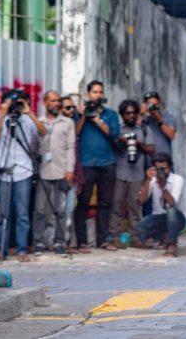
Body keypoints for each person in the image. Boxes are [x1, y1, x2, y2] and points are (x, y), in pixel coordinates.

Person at [0, 89, 47, 262]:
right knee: (4, 214)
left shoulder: (27, 120)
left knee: (22, 213)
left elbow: (43, 133)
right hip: (3, 171)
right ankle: (2, 250)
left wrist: (30, 114)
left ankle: (22, 250)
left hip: (24, 170)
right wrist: (3, 114)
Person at [75, 80, 120, 251]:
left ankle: (103, 239)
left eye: (100, 92)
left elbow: (113, 133)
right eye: (95, 92)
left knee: (105, 202)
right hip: (87, 163)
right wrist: (84, 116)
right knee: (83, 202)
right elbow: (75, 133)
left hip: (106, 162)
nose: (98, 95)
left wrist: (97, 119)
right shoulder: (81, 113)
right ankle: (82, 241)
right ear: (88, 94)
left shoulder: (110, 114)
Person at [33, 91, 76, 256]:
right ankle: (38, 242)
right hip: (43, 171)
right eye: (52, 101)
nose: (56, 104)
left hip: (61, 170)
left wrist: (69, 169)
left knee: (60, 209)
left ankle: (59, 242)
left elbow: (70, 147)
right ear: (45, 102)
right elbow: (33, 145)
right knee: (39, 209)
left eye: (58, 101)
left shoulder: (67, 122)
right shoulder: (38, 121)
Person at [110, 99, 155, 248]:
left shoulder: (144, 129)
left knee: (135, 208)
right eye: (127, 113)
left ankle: (136, 238)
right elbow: (111, 144)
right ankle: (114, 237)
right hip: (120, 171)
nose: (130, 115)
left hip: (137, 173)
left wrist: (138, 144)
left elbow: (151, 149)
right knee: (116, 205)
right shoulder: (117, 128)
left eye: (133, 113)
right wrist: (120, 142)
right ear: (122, 114)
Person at [137, 153, 186, 258]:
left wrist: (163, 186)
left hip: (177, 219)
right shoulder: (153, 180)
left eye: (164, 168)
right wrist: (148, 180)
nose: (162, 172)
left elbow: (172, 203)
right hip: (160, 218)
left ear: (170, 167)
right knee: (142, 226)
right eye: (158, 169)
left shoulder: (178, 180)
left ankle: (172, 245)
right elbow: (141, 200)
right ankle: (163, 237)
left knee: (171, 211)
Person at [140, 91, 177, 217]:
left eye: (155, 105)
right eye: (150, 105)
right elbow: (135, 129)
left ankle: (168, 226)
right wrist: (141, 113)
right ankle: (149, 228)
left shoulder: (168, 118)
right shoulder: (144, 119)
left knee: (167, 194)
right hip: (148, 163)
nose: (152, 109)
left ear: (160, 104)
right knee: (148, 197)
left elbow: (171, 135)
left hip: (165, 163)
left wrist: (159, 119)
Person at [60, 96, 85, 252]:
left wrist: (78, 177)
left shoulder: (72, 125)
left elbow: (75, 156)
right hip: (55, 175)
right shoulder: (56, 127)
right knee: (54, 210)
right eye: (67, 108)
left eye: (73, 108)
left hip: (72, 175)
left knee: (69, 211)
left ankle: (66, 242)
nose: (71, 111)